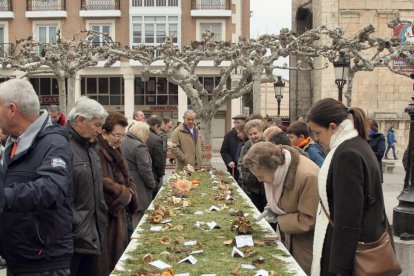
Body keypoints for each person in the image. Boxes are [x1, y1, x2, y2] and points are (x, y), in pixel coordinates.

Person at [308, 98, 390, 276]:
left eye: (317, 132)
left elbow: (349, 217)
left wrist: (341, 268)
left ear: (332, 127)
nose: (316, 139)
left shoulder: (347, 154)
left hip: (349, 252)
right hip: (355, 244)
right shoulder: (356, 144)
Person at [0, 79, 73, 275]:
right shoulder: (13, 143)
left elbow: (52, 188)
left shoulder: (53, 143)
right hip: (20, 259)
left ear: (12, 109)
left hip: (43, 263)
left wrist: (4, 197)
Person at [243, 142, 319, 274]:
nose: (260, 181)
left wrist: (280, 219)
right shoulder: (280, 171)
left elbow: (309, 219)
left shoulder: (307, 176)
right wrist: (271, 207)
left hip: (307, 244)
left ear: (273, 167)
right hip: (291, 238)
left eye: (261, 176)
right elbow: (280, 196)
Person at [67, 97, 108, 276]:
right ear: (80, 120)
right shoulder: (62, 147)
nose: (99, 131)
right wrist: (75, 223)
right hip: (73, 240)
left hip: (91, 234)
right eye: (97, 125)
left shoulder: (89, 148)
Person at [95, 112, 139, 276]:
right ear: (104, 133)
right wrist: (125, 193)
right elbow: (102, 183)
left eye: (123, 135)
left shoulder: (115, 150)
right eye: (117, 135)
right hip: (107, 218)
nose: (120, 139)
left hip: (119, 215)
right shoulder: (98, 152)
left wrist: (131, 191)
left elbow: (128, 178)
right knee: (107, 262)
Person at [121, 121, 156, 227]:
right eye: (147, 134)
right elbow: (145, 170)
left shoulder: (123, 142)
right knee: (138, 220)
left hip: (126, 185)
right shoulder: (139, 146)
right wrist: (152, 185)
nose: (148, 137)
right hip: (139, 188)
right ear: (142, 133)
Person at [238, 119, 267, 212]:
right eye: (250, 134)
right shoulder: (246, 146)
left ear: (261, 132)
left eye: (255, 133)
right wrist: (247, 178)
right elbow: (242, 165)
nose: (253, 136)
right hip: (252, 188)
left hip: (266, 187)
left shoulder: (268, 145)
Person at [220, 114, 247, 180]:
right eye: (235, 122)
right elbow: (224, 151)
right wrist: (229, 161)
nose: (236, 124)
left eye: (238, 123)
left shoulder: (249, 135)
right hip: (233, 168)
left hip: (245, 169)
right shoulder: (229, 135)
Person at [146, 115, 166, 198]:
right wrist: (161, 174)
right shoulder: (156, 139)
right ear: (156, 126)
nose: (160, 130)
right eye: (160, 127)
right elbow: (159, 160)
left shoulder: (142, 134)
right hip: (153, 173)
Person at [367, 118, 386, 183]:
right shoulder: (363, 137)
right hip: (365, 169)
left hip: (374, 168)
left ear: (372, 127)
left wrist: (365, 153)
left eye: (367, 126)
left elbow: (380, 154)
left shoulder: (380, 137)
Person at [234, 122, 248, 186]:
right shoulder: (242, 143)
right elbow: (238, 156)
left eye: (239, 133)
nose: (238, 135)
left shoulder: (247, 144)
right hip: (242, 175)